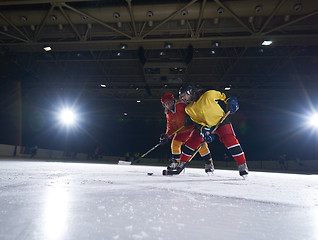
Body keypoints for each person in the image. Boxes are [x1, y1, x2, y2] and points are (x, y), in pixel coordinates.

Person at [178, 84, 248, 177]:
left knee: (229, 139)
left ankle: (242, 165)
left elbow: (224, 95)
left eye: (184, 95)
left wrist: (230, 101)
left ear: (190, 92)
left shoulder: (208, 94)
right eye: (181, 97)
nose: (182, 98)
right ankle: (182, 164)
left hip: (221, 121)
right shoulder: (188, 109)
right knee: (193, 140)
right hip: (207, 126)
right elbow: (198, 123)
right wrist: (204, 130)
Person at [160, 92, 214, 173]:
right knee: (175, 143)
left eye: (169, 102)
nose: (168, 105)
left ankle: (209, 163)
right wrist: (167, 135)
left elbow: (193, 109)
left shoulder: (181, 104)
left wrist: (191, 118)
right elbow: (171, 128)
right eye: (165, 104)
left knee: (201, 145)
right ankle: (176, 163)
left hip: (192, 129)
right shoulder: (169, 114)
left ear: (173, 100)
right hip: (181, 132)